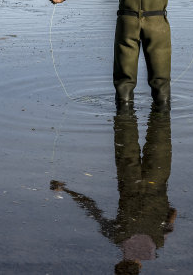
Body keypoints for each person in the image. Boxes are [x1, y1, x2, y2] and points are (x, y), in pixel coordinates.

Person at [50, 103, 177, 274]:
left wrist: (161, 213)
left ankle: (158, 108)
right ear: (119, 264)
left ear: (139, 266)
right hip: (129, 181)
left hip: (157, 181)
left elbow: (173, 213)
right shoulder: (116, 237)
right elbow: (90, 206)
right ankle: (126, 110)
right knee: (126, 137)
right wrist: (65, 190)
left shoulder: (158, 242)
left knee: (160, 136)